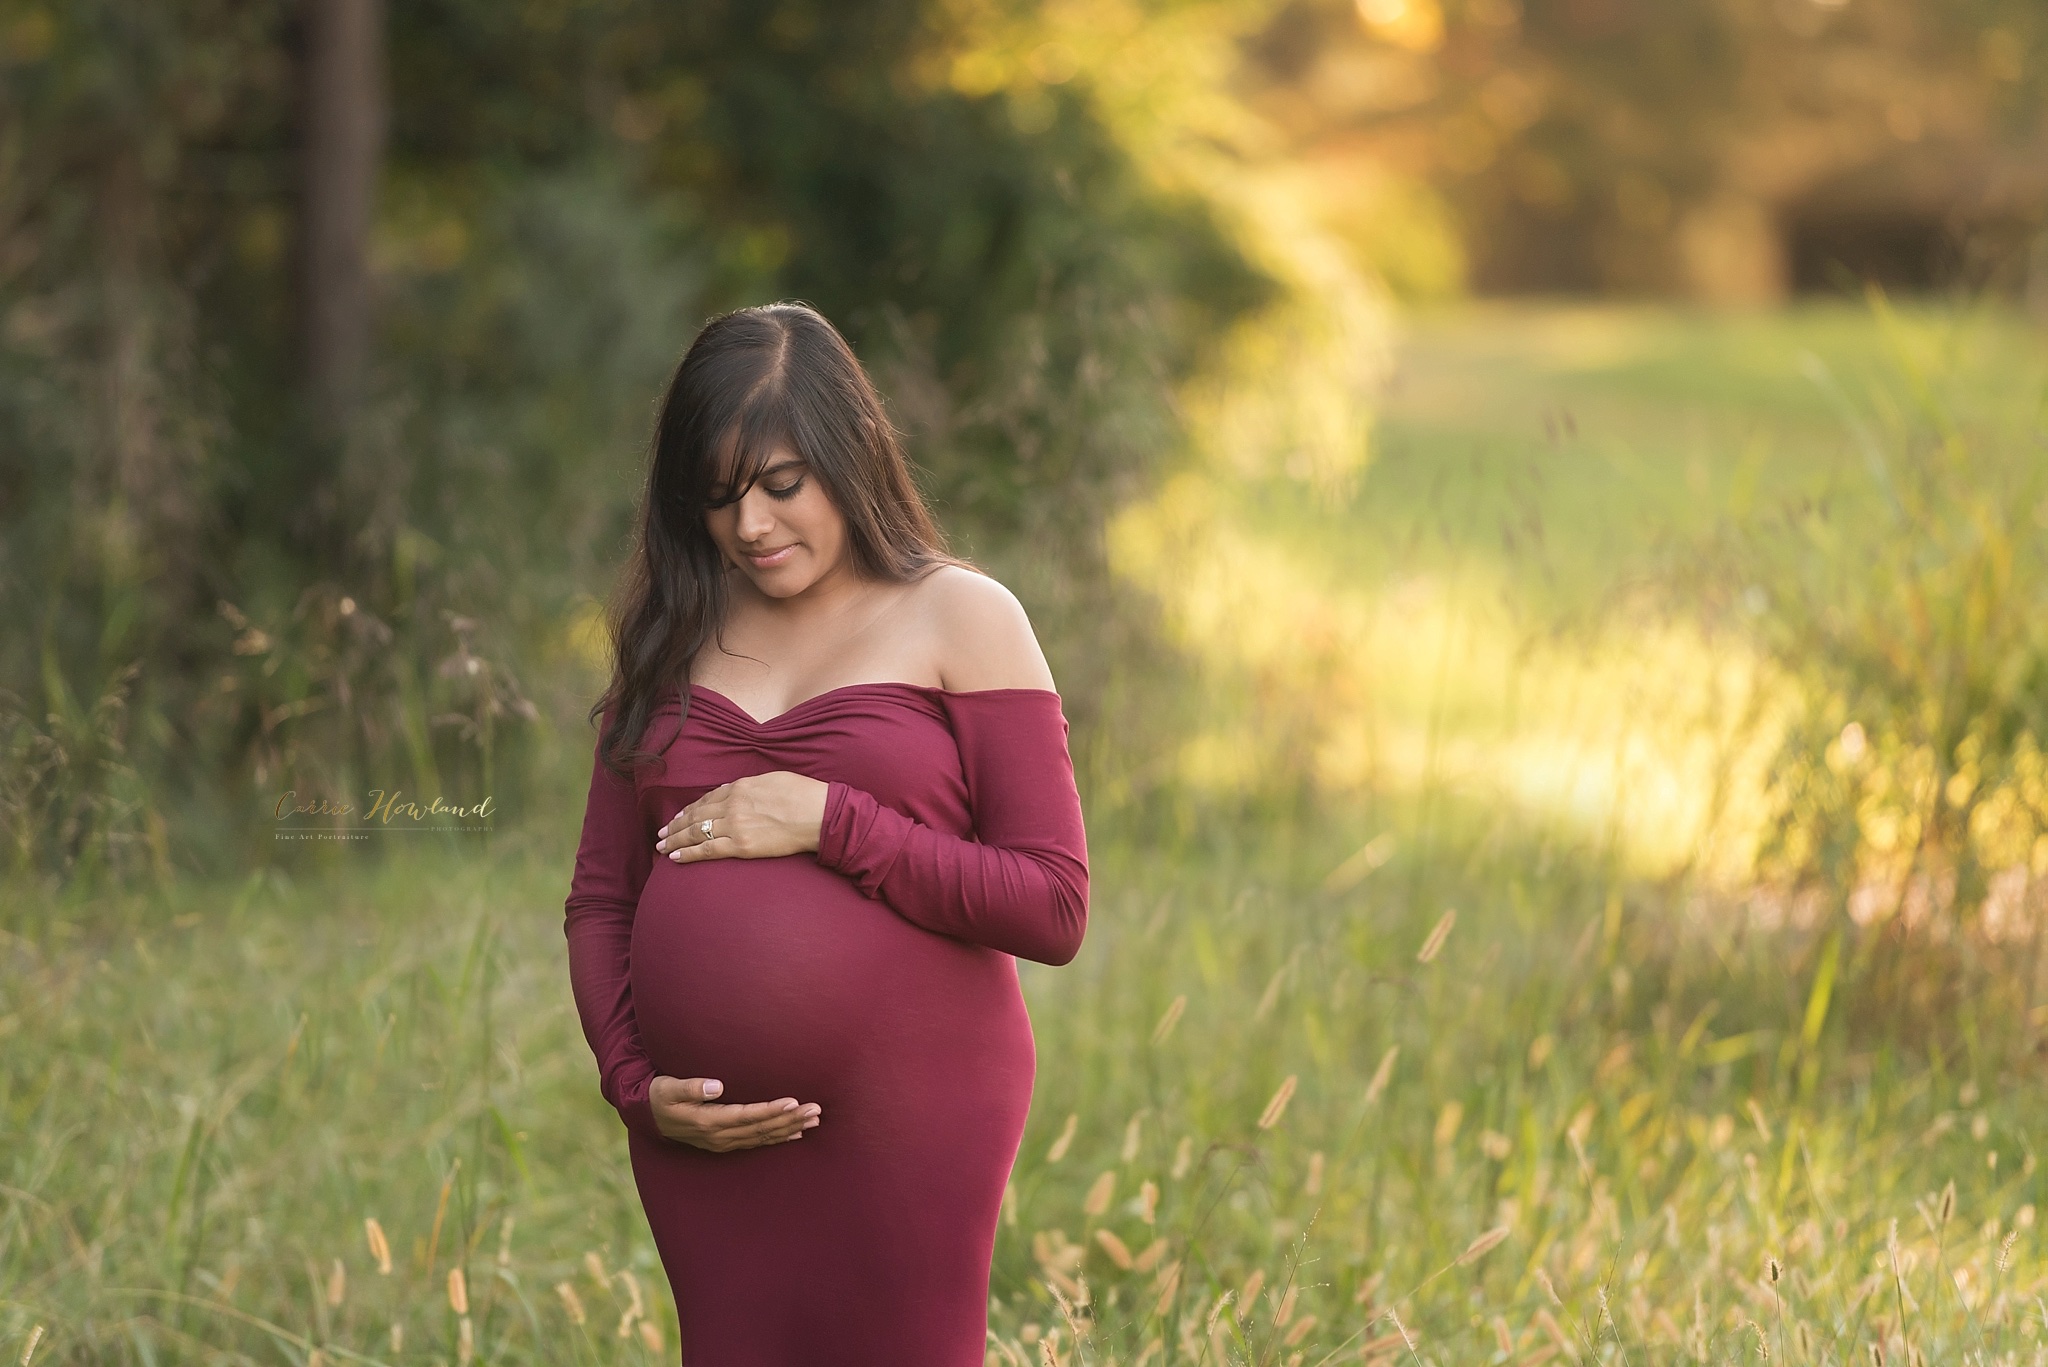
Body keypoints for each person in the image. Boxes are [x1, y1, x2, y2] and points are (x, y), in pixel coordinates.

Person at [562, 301, 1090, 1364]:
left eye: (779, 484)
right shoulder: (673, 633)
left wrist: (830, 817)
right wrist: (636, 1088)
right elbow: (601, 897)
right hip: (703, 1135)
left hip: (916, 1109)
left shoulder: (961, 615)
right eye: (716, 496)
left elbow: (1050, 902)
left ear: (848, 455)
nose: (749, 524)